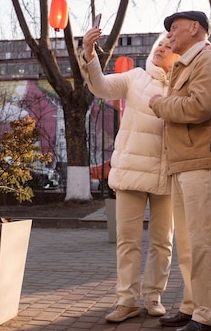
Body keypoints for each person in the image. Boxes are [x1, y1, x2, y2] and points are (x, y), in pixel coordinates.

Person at [80, 26, 178, 323]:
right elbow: (101, 87)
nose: (160, 48)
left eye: (168, 46)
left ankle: (153, 297)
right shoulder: (135, 77)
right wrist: (88, 52)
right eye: (158, 45)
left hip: (167, 175)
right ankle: (127, 301)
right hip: (131, 172)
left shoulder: (183, 84)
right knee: (127, 241)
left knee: (163, 242)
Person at [149, 11, 211, 331]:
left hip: (203, 160)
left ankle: (208, 317)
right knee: (187, 243)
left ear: (194, 28)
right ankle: (192, 305)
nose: (169, 35)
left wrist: (160, 104)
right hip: (185, 162)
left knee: (203, 241)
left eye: (174, 28)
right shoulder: (186, 64)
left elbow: (199, 107)